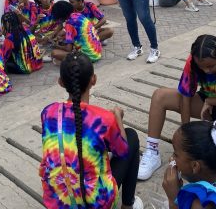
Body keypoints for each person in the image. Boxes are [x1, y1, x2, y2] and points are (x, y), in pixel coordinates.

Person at [138, 35, 216, 180]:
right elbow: (185, 97)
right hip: (207, 104)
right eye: (202, 67)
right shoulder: (193, 60)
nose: (206, 71)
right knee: (159, 96)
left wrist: (211, 101)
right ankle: (152, 152)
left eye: (211, 66)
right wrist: (186, 140)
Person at [39, 52, 143, 209]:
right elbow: (122, 152)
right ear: (93, 79)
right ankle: (128, 204)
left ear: (60, 82)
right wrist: (117, 118)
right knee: (131, 136)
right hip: (96, 204)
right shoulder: (104, 119)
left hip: (56, 202)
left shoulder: (48, 112)